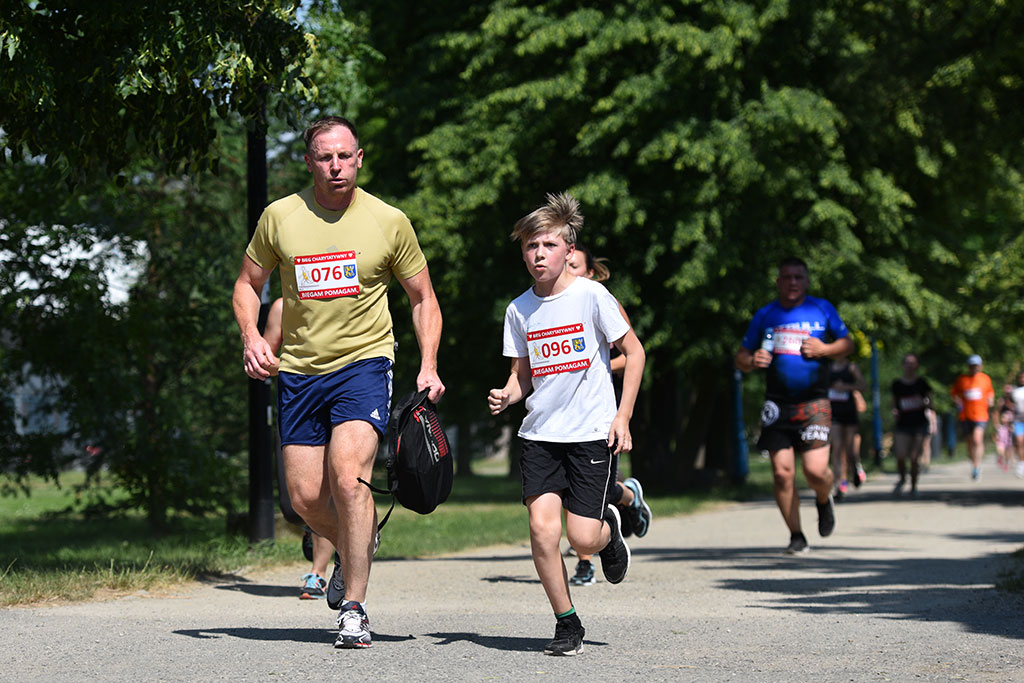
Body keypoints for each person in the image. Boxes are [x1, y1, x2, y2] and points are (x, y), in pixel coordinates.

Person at [233, 116, 445, 649]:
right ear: (309, 162)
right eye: (325, 157)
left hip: (365, 364)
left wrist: (428, 364)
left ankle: (354, 608)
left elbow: (423, 298)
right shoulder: (279, 217)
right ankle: (359, 537)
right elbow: (246, 284)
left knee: (348, 477)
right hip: (300, 372)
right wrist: (252, 336)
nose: (336, 166)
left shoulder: (388, 221)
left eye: (345, 156)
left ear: (359, 158)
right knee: (305, 499)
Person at [487, 193, 645, 655]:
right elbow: (522, 378)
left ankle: (610, 529)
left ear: (567, 248)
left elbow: (634, 354)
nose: (539, 254)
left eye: (549, 245)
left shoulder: (592, 295)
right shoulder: (519, 310)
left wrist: (623, 415)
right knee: (541, 529)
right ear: (523, 252)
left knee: (582, 537)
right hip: (540, 435)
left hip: (592, 431)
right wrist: (506, 395)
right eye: (531, 246)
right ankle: (566, 622)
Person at [735, 257, 853, 554]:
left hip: (814, 402)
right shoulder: (766, 315)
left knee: (815, 472)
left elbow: (847, 344)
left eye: (798, 277)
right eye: (786, 277)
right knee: (782, 473)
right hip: (777, 404)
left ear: (807, 281)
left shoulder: (821, 309)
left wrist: (825, 348)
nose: (792, 283)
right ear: (778, 282)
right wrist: (752, 361)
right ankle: (796, 535)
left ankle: (824, 500)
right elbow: (741, 357)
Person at [563, 245, 652, 587]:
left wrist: (594, 364)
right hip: (562, 409)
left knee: (585, 487)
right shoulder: (549, 304)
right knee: (567, 485)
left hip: (600, 403)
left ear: (588, 272)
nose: (566, 269)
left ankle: (628, 497)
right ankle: (587, 556)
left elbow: (632, 354)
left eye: (574, 265)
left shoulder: (602, 300)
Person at [262, 297, 339, 600]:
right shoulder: (282, 307)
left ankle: (319, 573)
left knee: (336, 487)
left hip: (345, 401)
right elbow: (266, 359)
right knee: (298, 503)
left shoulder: (352, 297)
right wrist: (296, 366)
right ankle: (350, 534)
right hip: (301, 403)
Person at [891, 353, 931, 497]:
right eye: (907, 363)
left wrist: (925, 403)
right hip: (903, 424)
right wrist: (894, 411)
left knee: (914, 458)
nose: (910, 366)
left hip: (919, 424)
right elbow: (894, 403)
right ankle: (902, 478)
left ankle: (914, 486)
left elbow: (930, 402)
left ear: (917, 365)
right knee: (901, 455)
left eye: (913, 363)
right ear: (903, 365)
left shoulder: (922, 383)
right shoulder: (897, 384)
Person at [949, 355, 994, 481]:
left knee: (977, 439)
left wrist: (991, 400)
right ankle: (973, 461)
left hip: (981, 415)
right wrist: (958, 402)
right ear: (969, 366)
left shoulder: (985, 379)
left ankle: (977, 466)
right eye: (972, 365)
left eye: (976, 365)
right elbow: (954, 393)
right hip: (965, 415)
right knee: (970, 442)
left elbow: (990, 393)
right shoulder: (962, 379)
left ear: (980, 366)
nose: (974, 367)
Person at [827, 358, 865, 500]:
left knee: (850, 450)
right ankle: (839, 484)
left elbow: (863, 386)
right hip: (833, 413)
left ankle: (855, 467)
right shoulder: (827, 367)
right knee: (837, 448)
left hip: (849, 412)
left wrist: (845, 387)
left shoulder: (851, 367)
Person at [1011, 371, 1024, 478]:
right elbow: (1011, 406)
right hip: (1019, 420)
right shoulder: (1016, 392)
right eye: (1021, 377)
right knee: (1020, 442)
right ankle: (1021, 464)